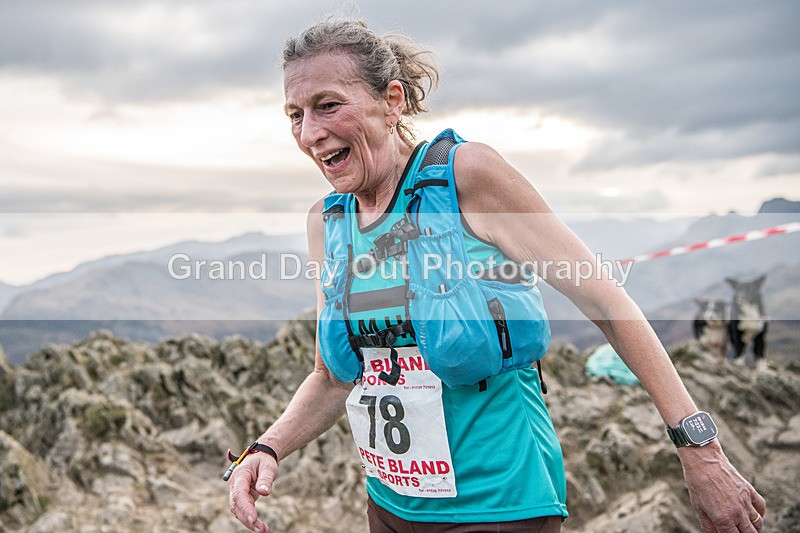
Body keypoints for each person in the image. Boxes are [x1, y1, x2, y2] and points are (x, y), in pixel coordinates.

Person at [227, 17, 766, 533]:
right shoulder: (328, 221)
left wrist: (701, 450)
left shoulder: (467, 177)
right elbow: (332, 376)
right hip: (391, 507)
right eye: (295, 114)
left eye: (328, 106)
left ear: (392, 101)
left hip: (502, 506)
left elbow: (608, 304)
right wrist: (267, 447)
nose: (310, 132)